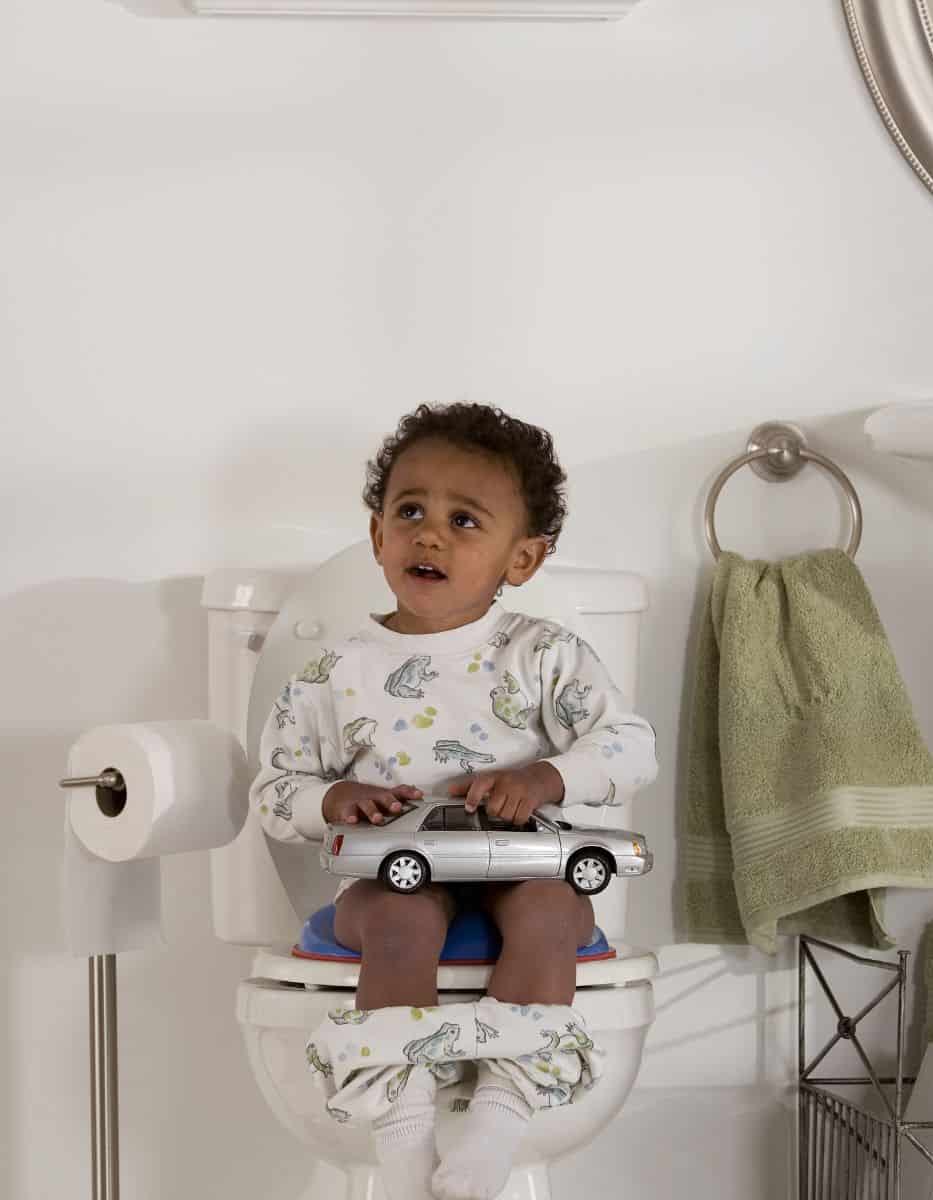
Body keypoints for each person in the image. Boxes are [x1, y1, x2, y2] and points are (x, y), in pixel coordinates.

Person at [249, 402, 658, 1200]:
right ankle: (402, 1134)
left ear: (523, 559)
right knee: (399, 918)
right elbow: (273, 792)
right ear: (377, 536)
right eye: (410, 511)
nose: (429, 534)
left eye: (464, 520)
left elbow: (629, 746)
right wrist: (334, 799)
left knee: (549, 909)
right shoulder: (334, 673)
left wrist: (544, 780)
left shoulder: (544, 655)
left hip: (526, 868)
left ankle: (500, 1115)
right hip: (398, 882)